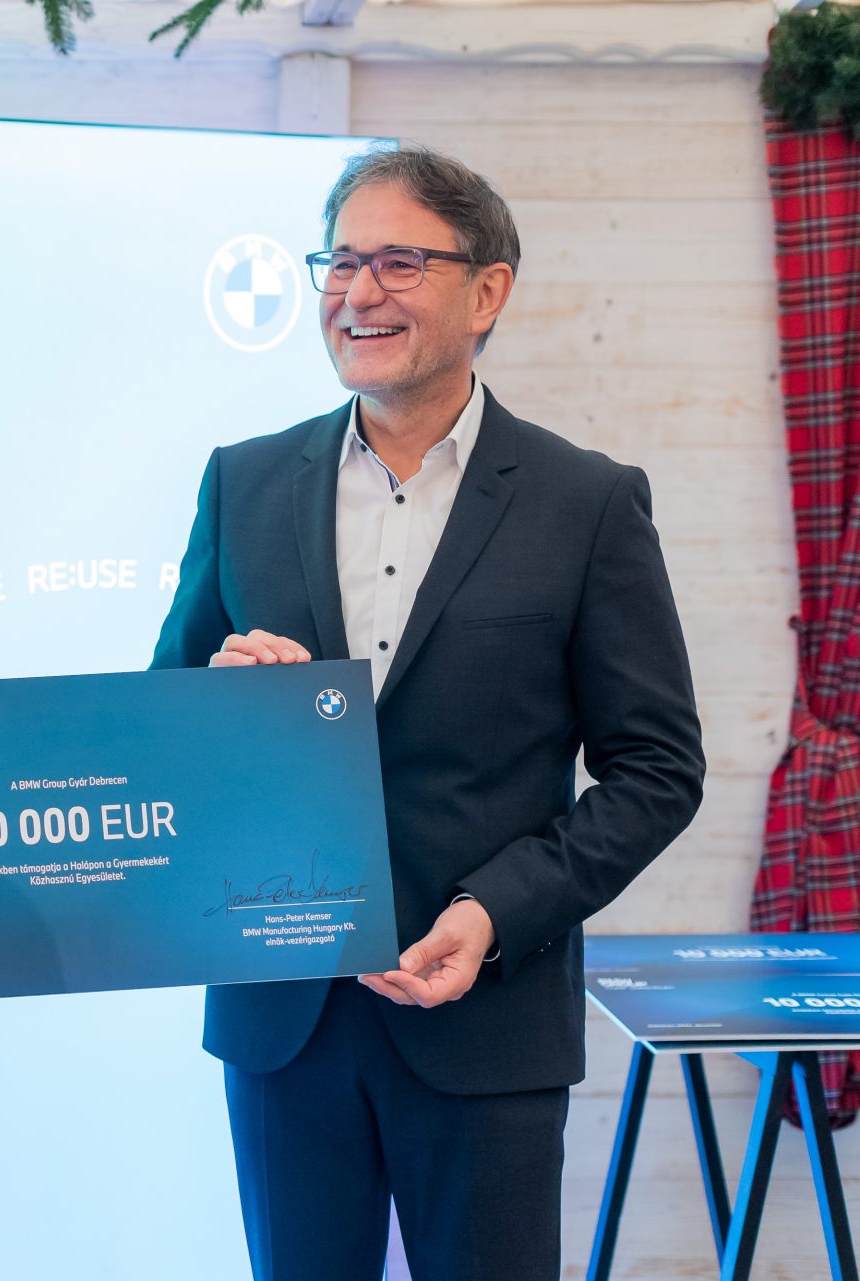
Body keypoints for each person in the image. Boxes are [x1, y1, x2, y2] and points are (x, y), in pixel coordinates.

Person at [152, 144, 705, 1279]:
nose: (357, 294)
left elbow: (658, 769)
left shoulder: (585, 503)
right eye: (341, 262)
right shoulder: (243, 481)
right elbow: (159, 724)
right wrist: (219, 707)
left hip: (485, 1021)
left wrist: (495, 914)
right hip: (283, 1022)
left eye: (398, 262)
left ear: (489, 289)